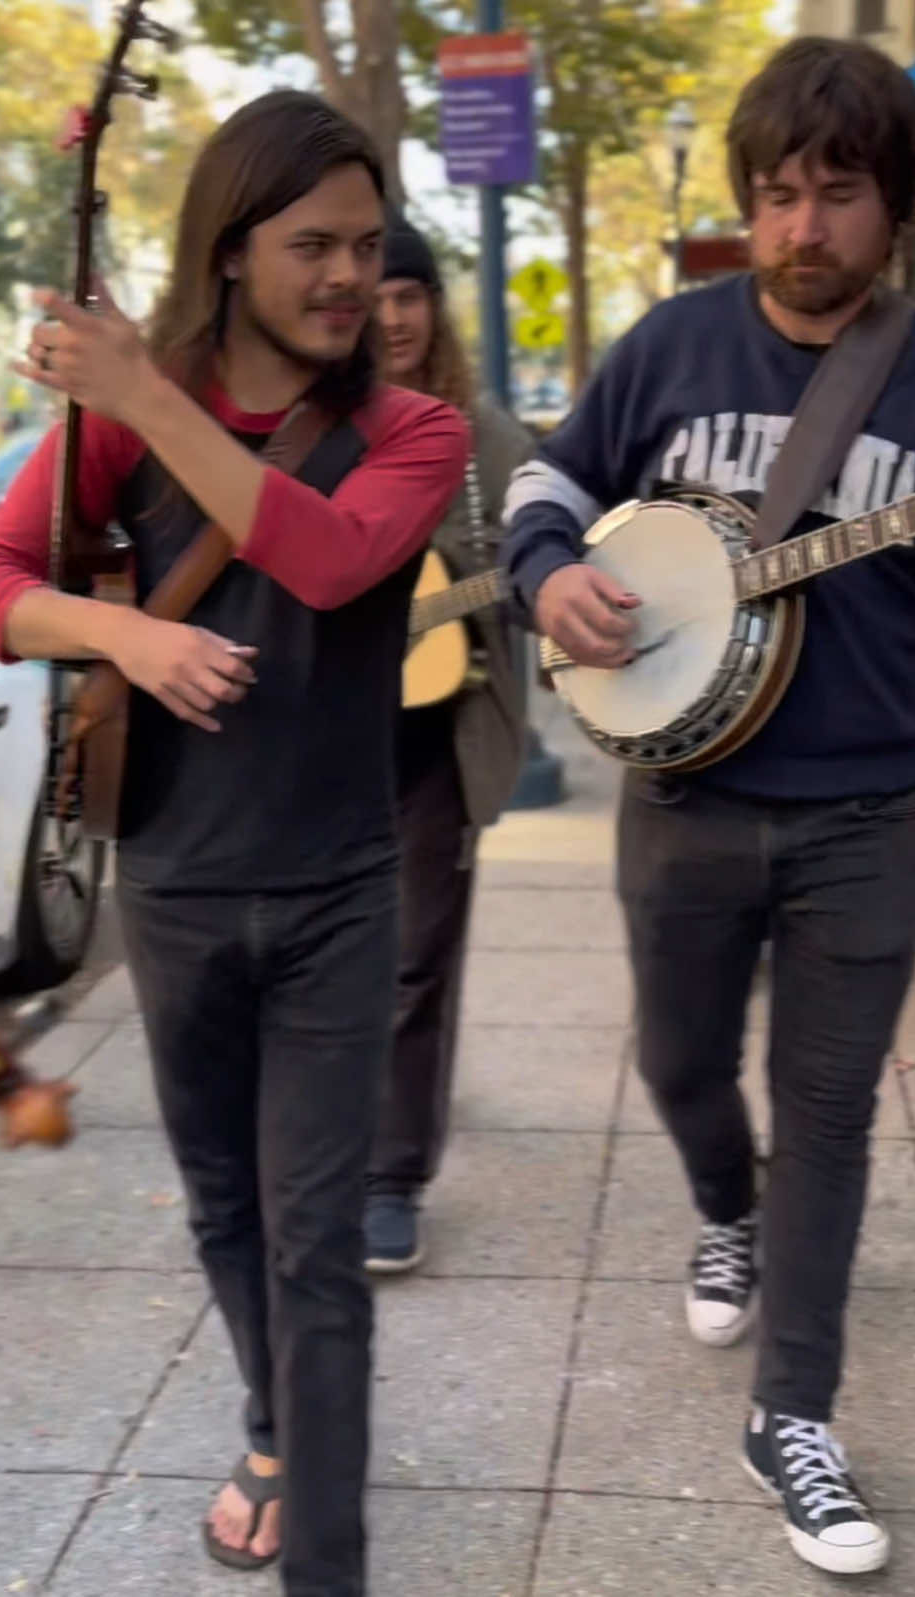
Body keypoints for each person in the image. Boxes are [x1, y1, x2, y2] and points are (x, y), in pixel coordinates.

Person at [501, 37, 915, 1577]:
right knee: (682, 1063)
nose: (802, 228)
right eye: (776, 195)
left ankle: (795, 1410)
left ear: (894, 203)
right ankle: (723, 1210)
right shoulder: (669, 346)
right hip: (683, 794)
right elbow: (542, 489)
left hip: (864, 811)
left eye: (837, 195)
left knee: (827, 1114)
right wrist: (551, 578)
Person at [0, 90, 468, 1597]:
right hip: (169, 884)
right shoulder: (122, 426)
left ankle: (329, 1564)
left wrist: (141, 394)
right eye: (313, 245)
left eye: (368, 246)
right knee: (223, 1208)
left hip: (336, 894)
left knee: (316, 1246)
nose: (348, 277)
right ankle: (272, 1429)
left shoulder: (407, 427)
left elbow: (336, 558)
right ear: (230, 252)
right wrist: (121, 633)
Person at [364, 213, 531, 1271]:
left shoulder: (484, 438)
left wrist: (502, 588)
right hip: (319, 739)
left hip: (436, 735)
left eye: (409, 297)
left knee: (416, 956)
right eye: (374, 300)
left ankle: (391, 1175)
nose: (391, 320)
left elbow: (548, 547)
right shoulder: (310, 426)